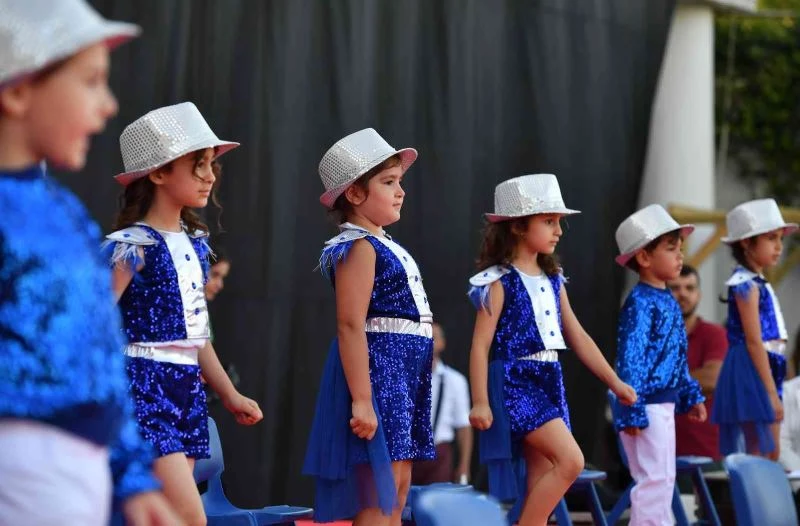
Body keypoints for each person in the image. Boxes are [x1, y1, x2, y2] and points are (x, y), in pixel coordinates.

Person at [0, 1, 179, 524]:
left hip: (78, 476)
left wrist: (130, 479)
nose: (107, 105)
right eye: (91, 81)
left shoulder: (65, 212)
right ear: (17, 91)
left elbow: (99, 354)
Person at [105, 102, 263, 525]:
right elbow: (94, 321)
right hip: (143, 387)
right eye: (198, 165)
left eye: (211, 165)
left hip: (186, 390)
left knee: (162, 516)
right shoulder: (131, 244)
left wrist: (228, 394)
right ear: (158, 173)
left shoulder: (197, 244)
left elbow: (197, 335)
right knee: (190, 518)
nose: (210, 176)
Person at [467, 174, 637, 526]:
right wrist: (480, 400)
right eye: (549, 221)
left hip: (549, 378)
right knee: (571, 461)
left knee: (541, 481)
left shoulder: (554, 278)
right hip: (516, 381)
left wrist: (615, 382)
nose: (558, 230)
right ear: (517, 227)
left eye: (559, 222)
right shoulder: (498, 280)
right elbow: (480, 344)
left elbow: (577, 336)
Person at [303, 128, 434, 526]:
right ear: (355, 194)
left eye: (400, 183)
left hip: (407, 372)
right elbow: (349, 324)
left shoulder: (385, 242)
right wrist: (362, 399)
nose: (401, 191)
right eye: (389, 182)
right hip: (382, 371)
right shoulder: (358, 246)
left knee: (398, 484)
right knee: (380, 488)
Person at [613, 204, 706, 526]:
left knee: (664, 479)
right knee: (654, 480)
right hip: (646, 407)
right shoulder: (639, 303)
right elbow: (630, 362)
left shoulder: (666, 299)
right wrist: (632, 409)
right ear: (644, 257)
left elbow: (677, 358)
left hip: (661, 406)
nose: (680, 255)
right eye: (671, 248)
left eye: (680, 248)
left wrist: (691, 394)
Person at [712, 198, 797, 460]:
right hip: (751, 367)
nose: (778, 247)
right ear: (747, 244)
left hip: (764, 364)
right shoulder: (744, 284)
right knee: (763, 451)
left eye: (780, 239)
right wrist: (771, 393)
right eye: (771, 238)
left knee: (768, 451)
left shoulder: (757, 281)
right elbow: (753, 340)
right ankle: (753, 500)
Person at [669, 265, 728, 460]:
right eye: (675, 288)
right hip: (660, 451)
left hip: (707, 451)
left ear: (699, 294)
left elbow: (712, 380)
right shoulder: (651, 338)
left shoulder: (714, 334)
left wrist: (660, 383)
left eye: (689, 288)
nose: (683, 294)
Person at [412, 322, 473, 485]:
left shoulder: (455, 380)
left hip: (439, 453)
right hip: (407, 453)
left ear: (442, 343)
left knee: (436, 505)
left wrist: (464, 466)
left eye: (433, 338)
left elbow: (464, 426)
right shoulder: (405, 378)